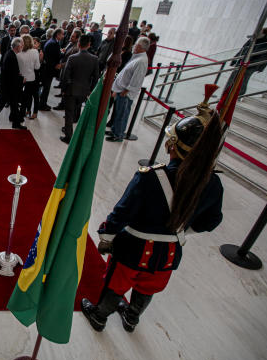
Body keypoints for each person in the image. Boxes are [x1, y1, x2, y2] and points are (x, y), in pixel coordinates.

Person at [82, 106, 224, 333]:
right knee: (149, 285)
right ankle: (131, 317)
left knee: (117, 282)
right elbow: (212, 220)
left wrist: (106, 236)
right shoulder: (213, 184)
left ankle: (100, 316)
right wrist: (182, 230)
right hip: (168, 253)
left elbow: (122, 213)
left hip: (134, 248)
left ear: (172, 145)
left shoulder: (149, 178)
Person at [107, 37, 150, 142]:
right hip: (121, 90)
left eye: (136, 45)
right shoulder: (137, 57)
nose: (134, 46)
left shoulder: (141, 61)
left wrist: (125, 91)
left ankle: (118, 135)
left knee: (122, 114)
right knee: (118, 113)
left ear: (140, 47)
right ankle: (114, 130)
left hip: (125, 93)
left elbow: (136, 79)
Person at [60, 34, 99, 143]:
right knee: (77, 109)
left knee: (69, 112)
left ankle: (68, 136)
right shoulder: (95, 59)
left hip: (71, 89)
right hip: (84, 90)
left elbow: (65, 76)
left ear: (79, 44)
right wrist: (91, 90)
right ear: (89, 45)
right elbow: (96, 77)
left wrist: (63, 89)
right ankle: (73, 131)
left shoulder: (72, 58)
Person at [0, 37, 26, 130]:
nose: (22, 47)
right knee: (1, 104)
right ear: (18, 46)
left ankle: (16, 123)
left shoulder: (11, 53)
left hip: (8, 85)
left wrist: (17, 74)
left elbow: (11, 71)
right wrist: (20, 78)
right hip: (7, 86)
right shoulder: (11, 55)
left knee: (14, 104)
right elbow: (10, 74)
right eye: (22, 45)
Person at [227, 27, 267, 96]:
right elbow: (243, 49)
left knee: (244, 79)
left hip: (252, 65)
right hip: (241, 62)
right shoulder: (252, 39)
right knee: (233, 77)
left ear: (264, 33)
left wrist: (260, 67)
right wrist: (234, 60)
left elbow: (266, 56)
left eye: (259, 31)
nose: (257, 32)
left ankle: (240, 94)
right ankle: (227, 92)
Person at [16, 34, 40, 119]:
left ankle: (26, 111)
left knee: (25, 96)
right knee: (34, 95)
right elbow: (37, 67)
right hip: (31, 77)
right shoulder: (35, 52)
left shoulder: (18, 54)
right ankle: (34, 112)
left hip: (21, 78)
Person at [41, 28, 63, 111]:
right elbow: (55, 57)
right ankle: (42, 105)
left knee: (46, 88)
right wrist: (63, 54)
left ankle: (43, 103)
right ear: (57, 34)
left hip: (47, 68)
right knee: (46, 88)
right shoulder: (54, 43)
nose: (63, 36)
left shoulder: (52, 41)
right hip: (49, 69)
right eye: (62, 34)